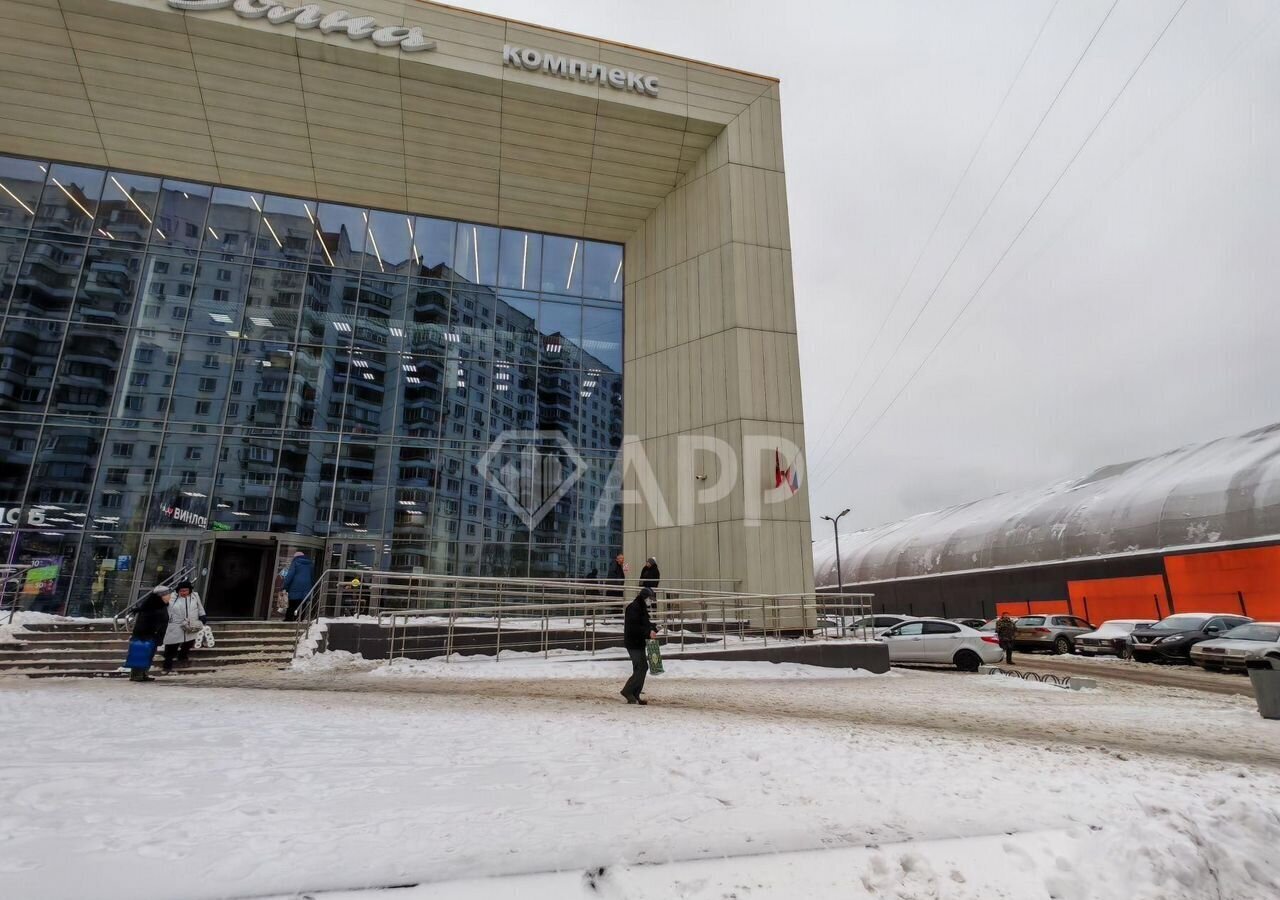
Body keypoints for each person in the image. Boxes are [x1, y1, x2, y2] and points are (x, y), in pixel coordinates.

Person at [620, 587, 657, 705]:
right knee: (640, 667)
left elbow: (645, 624)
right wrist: (648, 632)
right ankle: (627, 691)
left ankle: (635, 693)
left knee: (642, 667)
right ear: (644, 597)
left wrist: (653, 628)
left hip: (638, 642)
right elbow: (634, 627)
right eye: (650, 598)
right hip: (633, 643)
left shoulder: (641, 608)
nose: (650, 601)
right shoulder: (634, 608)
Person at [127, 587, 172, 682]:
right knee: (141, 654)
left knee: (148, 655)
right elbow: (144, 622)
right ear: (161, 596)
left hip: (153, 635)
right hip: (145, 635)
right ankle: (136, 675)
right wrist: (151, 633)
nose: (169, 596)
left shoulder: (161, 605)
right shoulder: (151, 606)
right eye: (167, 594)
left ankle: (143, 673)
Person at [161, 581, 206, 674]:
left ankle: (182, 655)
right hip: (175, 624)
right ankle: (167, 665)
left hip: (191, 623)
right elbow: (166, 607)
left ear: (190, 590)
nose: (183, 592)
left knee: (189, 641)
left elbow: (199, 607)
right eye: (181, 591)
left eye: (185, 590)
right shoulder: (173, 597)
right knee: (172, 644)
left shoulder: (195, 596)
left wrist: (202, 615)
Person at [282, 551, 313, 622]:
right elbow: (312, 577)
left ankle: (288, 619)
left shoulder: (295, 562)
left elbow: (290, 575)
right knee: (302, 604)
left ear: (295, 557)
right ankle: (299, 619)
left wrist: (284, 586)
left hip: (294, 587)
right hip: (306, 588)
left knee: (292, 604)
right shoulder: (310, 564)